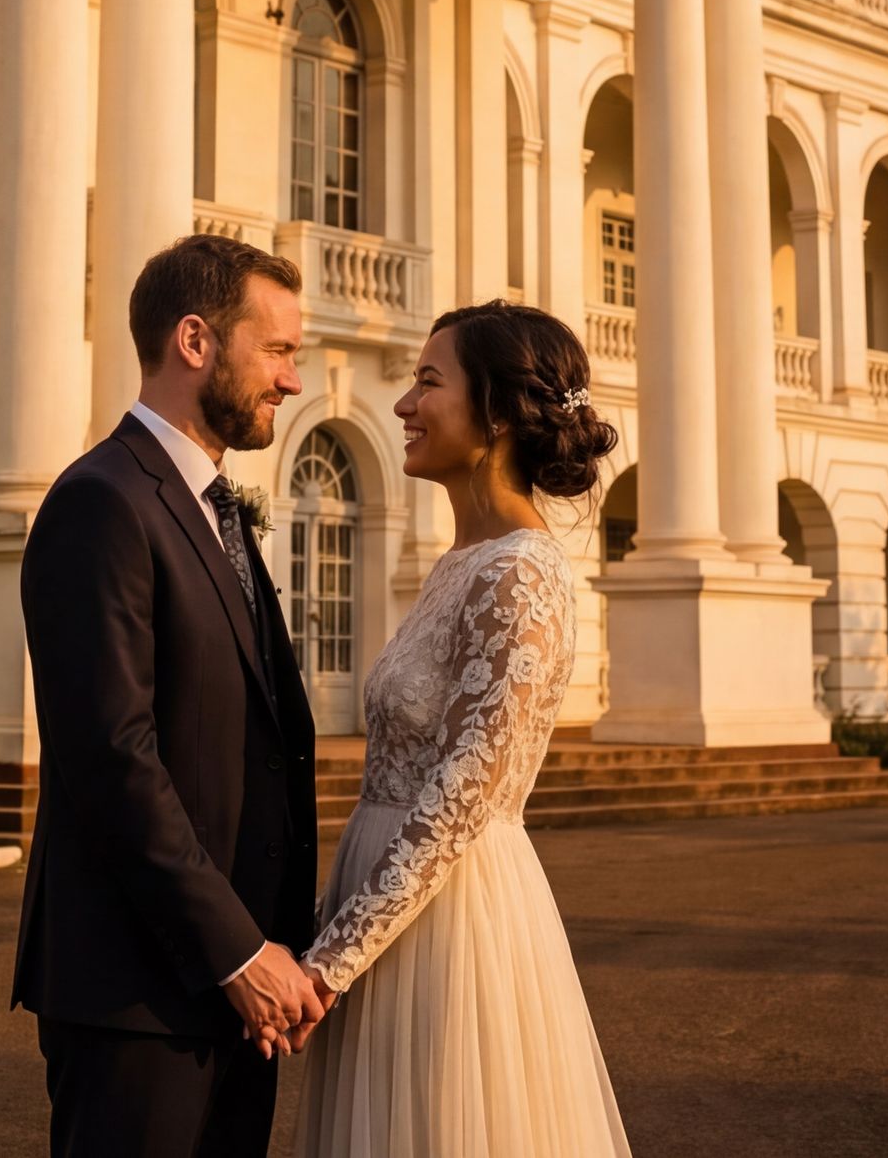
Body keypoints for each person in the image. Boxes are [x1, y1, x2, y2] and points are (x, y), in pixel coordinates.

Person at [293, 300, 634, 1157]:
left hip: (452, 923)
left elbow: (457, 800)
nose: (405, 404)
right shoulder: (458, 563)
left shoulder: (522, 574)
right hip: (382, 905)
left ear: (495, 414)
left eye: (427, 381)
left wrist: (325, 964)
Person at [15, 233, 324, 1158]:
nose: (291, 380)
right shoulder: (102, 501)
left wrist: (273, 950)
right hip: (139, 998)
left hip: (233, 995)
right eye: (276, 350)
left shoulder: (212, 504)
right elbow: (114, 757)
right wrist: (238, 951)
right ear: (195, 340)